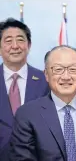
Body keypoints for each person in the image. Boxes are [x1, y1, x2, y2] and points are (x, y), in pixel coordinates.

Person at [9, 45, 76, 161]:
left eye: (73, 69)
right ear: (46, 74)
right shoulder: (28, 115)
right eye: (58, 69)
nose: (66, 77)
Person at [0, 18, 49, 160]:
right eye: (8, 41)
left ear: (29, 45)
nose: (15, 46)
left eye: (20, 40)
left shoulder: (46, 80)